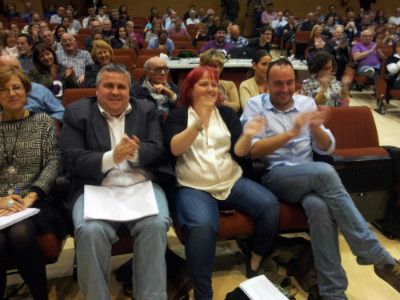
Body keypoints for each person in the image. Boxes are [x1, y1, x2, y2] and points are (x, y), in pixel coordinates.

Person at [240, 57, 400, 300]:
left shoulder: (306, 103)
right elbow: (252, 151)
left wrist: (315, 128)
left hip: (310, 176)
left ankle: (333, 293)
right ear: (267, 86)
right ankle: (375, 254)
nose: (285, 90)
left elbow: (326, 147)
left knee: (320, 208)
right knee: (325, 172)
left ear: (296, 82)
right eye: (278, 84)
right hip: (276, 177)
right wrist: (291, 133)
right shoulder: (255, 106)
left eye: (289, 83)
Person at [163, 66, 280, 300]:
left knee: (270, 206)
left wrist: (248, 135)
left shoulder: (226, 114)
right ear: (190, 89)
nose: (210, 89)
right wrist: (199, 121)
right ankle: (203, 292)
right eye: (203, 84)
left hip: (230, 180)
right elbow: (175, 148)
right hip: (192, 186)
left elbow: (240, 151)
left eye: (214, 84)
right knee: (202, 226)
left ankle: (255, 259)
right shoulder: (178, 115)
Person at [60, 65, 174, 300]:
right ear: (97, 89)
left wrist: (133, 153)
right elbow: (71, 158)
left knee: (156, 224)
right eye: (108, 86)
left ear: (129, 89)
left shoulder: (145, 109)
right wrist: (113, 157)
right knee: (89, 231)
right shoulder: (76, 112)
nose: (115, 92)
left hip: (140, 184)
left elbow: (157, 148)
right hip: (96, 188)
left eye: (121, 86)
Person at [0, 66, 67, 300]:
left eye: (16, 87)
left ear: (26, 91)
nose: (11, 93)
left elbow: (53, 163)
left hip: (38, 200)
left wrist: (32, 195)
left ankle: (40, 296)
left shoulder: (42, 122)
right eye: (4, 89)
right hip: (1, 202)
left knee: (20, 232)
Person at [0, 55, 65, 120]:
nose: (13, 73)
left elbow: (60, 112)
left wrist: (44, 123)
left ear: (21, 69)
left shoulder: (39, 90)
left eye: (16, 68)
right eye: (6, 70)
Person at [131, 56, 179, 120]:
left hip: (171, 124)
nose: (163, 73)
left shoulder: (174, 88)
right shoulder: (134, 90)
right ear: (147, 74)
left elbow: (184, 109)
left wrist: (172, 95)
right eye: (157, 70)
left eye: (165, 69)